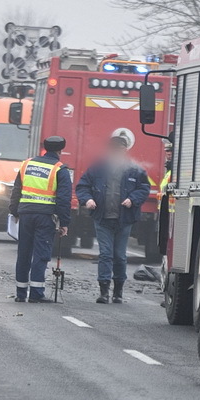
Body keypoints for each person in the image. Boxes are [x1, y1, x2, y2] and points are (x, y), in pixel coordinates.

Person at [75, 128, 150, 304]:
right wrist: (88, 200)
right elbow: (82, 186)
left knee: (120, 256)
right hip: (102, 218)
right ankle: (104, 292)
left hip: (124, 220)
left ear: (125, 151)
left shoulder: (135, 170)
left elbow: (143, 188)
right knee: (106, 254)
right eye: (113, 149)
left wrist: (133, 199)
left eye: (119, 150)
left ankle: (118, 292)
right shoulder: (97, 167)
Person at [8, 135, 73, 303]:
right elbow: (64, 199)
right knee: (41, 254)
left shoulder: (27, 164)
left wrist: (14, 211)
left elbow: (17, 190)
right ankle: (36, 293)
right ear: (60, 150)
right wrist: (64, 223)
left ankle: (21, 293)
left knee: (24, 253)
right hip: (45, 217)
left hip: (26, 214)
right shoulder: (60, 170)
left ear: (44, 148)